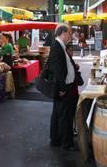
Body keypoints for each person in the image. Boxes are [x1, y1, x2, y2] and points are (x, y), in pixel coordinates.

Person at [48, 23, 77, 151]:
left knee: (58, 114)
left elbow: (62, 67)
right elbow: (57, 70)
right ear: (63, 33)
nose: (70, 36)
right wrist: (63, 88)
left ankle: (56, 139)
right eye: (69, 33)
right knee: (64, 116)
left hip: (63, 86)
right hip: (63, 88)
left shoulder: (60, 46)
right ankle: (66, 143)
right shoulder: (56, 47)